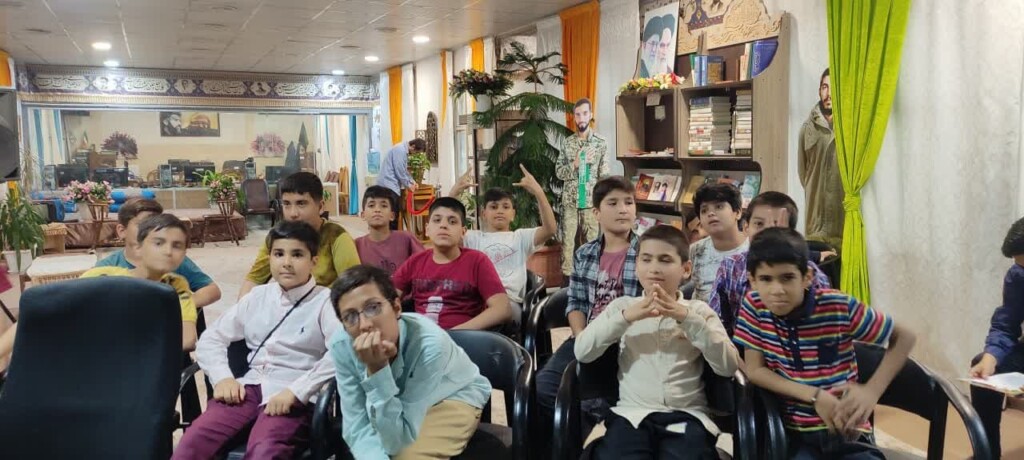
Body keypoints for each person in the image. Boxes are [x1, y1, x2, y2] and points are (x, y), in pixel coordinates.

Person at [734, 228, 916, 459]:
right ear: (752, 280)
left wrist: (872, 391)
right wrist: (815, 395)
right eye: (766, 279)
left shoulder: (838, 306)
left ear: (807, 276)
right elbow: (755, 370)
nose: (777, 290)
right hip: (793, 435)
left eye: (787, 278)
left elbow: (905, 337)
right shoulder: (754, 306)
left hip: (847, 431)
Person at [173, 221, 339, 459]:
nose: (286, 262)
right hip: (248, 388)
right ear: (270, 258)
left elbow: (340, 353)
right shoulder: (258, 297)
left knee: (264, 451)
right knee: (193, 442)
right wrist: (223, 378)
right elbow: (212, 338)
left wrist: (297, 391)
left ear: (314, 261)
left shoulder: (326, 302)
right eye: (279, 254)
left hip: (293, 394)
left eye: (297, 255)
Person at [575, 225, 740, 459]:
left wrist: (687, 319)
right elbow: (582, 351)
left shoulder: (698, 311)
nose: (654, 268)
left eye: (665, 260)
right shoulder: (622, 307)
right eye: (646, 259)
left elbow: (728, 366)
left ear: (686, 269)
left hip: (687, 416)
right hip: (631, 415)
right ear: (637, 265)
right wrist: (625, 318)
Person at [329, 265, 492, 459]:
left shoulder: (430, 344)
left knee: (405, 455)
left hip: (451, 395)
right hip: (396, 407)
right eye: (350, 317)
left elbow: (396, 442)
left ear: (397, 307)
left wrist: (377, 370)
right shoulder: (342, 345)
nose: (364, 325)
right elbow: (356, 423)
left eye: (373, 307)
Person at [0, 213, 200, 370]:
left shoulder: (176, 287)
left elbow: (187, 339)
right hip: (83, 365)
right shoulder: (104, 276)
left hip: (136, 373)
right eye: (158, 243)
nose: (168, 251)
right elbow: (42, 312)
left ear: (184, 254)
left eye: (177, 246)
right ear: (138, 247)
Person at [535, 176, 642, 448]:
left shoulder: (647, 251)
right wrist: (582, 337)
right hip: (588, 337)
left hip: (629, 344)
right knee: (543, 390)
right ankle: (568, 447)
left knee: (602, 402)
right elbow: (576, 303)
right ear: (596, 212)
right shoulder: (585, 253)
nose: (623, 209)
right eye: (613, 203)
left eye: (629, 203)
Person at [707, 191, 831, 334]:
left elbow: (822, 328)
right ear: (746, 227)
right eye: (759, 224)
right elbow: (716, 322)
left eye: (776, 226)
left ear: (790, 232)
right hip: (741, 344)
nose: (767, 232)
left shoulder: (810, 273)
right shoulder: (730, 267)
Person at [449, 164, 557, 326]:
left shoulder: (520, 237)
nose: (499, 211)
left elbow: (550, 229)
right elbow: (447, 231)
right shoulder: (472, 238)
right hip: (477, 301)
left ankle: (463, 332)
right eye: (493, 207)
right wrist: (454, 193)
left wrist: (538, 192)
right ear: (483, 214)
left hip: (508, 302)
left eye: (505, 207)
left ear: (513, 214)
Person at [391, 197, 512, 331]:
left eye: (452, 221)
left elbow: (503, 308)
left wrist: (454, 333)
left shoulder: (477, 261)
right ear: (427, 229)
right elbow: (387, 299)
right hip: (421, 338)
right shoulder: (415, 262)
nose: (443, 225)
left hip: (464, 338)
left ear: (463, 232)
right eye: (437, 220)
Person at [239, 171, 360, 298]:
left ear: (320, 207)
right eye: (287, 204)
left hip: (327, 305)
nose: (293, 214)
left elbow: (354, 288)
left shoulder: (336, 236)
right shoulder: (278, 236)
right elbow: (254, 279)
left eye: (301, 204)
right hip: (287, 305)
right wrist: (242, 307)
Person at [96, 197, 222, 308]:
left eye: (157, 226)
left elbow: (211, 289)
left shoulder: (170, 259)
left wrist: (181, 307)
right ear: (122, 230)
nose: (150, 231)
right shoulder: (106, 268)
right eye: (143, 224)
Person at [969, 216, 1024, 457]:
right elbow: (1007, 324)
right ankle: (988, 453)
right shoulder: (1018, 275)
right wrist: (991, 357)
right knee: (983, 370)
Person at [555, 98, 610, 278]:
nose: (581, 118)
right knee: (567, 243)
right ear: (574, 117)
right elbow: (559, 172)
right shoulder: (567, 143)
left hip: (590, 202)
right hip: (570, 202)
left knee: (592, 243)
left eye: (585, 114)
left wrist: (602, 203)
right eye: (577, 115)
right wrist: (575, 164)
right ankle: (566, 281)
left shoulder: (601, 143)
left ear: (590, 115)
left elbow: (604, 176)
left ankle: (590, 278)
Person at [799, 68, 844, 250]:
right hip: (815, 224)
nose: (829, 94)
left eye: (834, 88)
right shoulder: (807, 128)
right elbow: (803, 173)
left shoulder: (849, 127)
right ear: (819, 91)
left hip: (842, 222)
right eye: (825, 87)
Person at [690, 183, 747, 303]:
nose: (710, 213)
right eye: (704, 210)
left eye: (719, 207)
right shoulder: (696, 250)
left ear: (737, 212)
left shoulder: (753, 250)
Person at [354, 185, 424, 275]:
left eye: (383, 206)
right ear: (363, 215)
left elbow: (426, 265)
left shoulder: (406, 239)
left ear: (392, 215)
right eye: (371, 205)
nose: (377, 210)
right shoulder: (357, 245)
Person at [377, 138, 427, 227]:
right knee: (392, 215)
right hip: (388, 185)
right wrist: (409, 185)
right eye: (417, 152)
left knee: (393, 213)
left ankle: (391, 233)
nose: (415, 154)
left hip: (390, 185)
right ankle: (391, 235)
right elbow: (400, 171)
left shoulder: (402, 150)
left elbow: (404, 170)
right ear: (413, 146)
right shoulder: (400, 150)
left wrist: (412, 182)